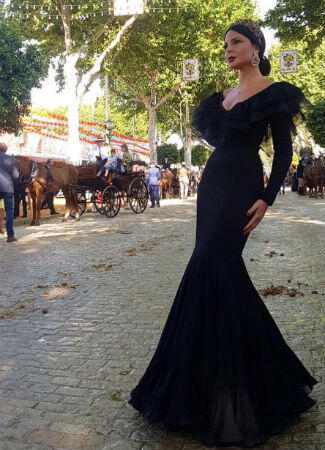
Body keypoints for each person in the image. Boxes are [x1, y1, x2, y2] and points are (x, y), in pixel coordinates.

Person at [128, 19, 317, 448]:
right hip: (213, 185)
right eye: (225, 44)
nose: (228, 49)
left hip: (243, 186)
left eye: (236, 42)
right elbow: (216, 142)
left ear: (255, 48)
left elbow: (284, 151)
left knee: (217, 266)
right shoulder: (220, 98)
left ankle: (241, 383)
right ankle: (218, 378)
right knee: (213, 270)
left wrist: (267, 198)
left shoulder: (275, 93)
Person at [0, 142, 19, 242]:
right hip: (7, 188)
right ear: (5, 149)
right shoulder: (11, 159)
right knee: (9, 212)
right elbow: (16, 176)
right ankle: (10, 236)